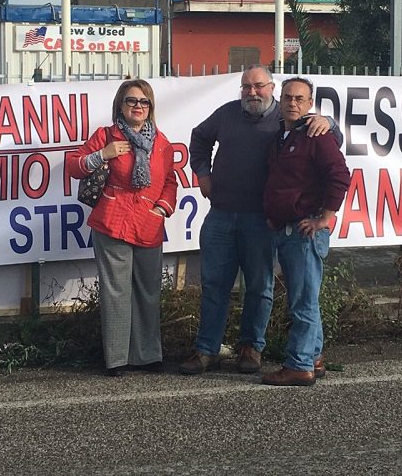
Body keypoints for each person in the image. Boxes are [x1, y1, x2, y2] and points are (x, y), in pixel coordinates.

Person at [179, 65, 336, 376]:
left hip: (262, 220)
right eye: (246, 87)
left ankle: (252, 347)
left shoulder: (289, 116)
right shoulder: (226, 114)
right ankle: (206, 349)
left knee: (260, 287)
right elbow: (198, 138)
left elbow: (333, 140)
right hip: (221, 215)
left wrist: (328, 120)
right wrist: (203, 174)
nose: (252, 92)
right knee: (213, 285)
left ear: (272, 87)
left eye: (259, 86)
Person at [66, 80, 178, 376]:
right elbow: (73, 166)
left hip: (148, 224)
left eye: (144, 102)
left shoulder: (162, 142)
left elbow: (169, 181)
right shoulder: (106, 135)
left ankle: (147, 354)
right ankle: (117, 359)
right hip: (113, 221)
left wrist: (161, 208)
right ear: (120, 105)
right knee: (116, 292)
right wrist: (103, 154)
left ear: (151, 107)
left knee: (148, 290)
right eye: (132, 101)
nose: (138, 106)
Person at [261, 77, 350, 386]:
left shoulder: (318, 135)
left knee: (303, 301)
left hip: (305, 231)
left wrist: (324, 218)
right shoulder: (282, 136)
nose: (293, 103)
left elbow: (340, 175)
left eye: (300, 98)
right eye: (287, 97)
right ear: (280, 100)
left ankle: (299, 365)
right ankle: (313, 356)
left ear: (310, 104)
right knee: (304, 297)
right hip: (286, 230)